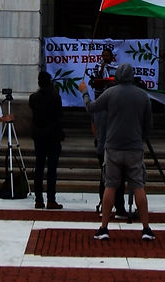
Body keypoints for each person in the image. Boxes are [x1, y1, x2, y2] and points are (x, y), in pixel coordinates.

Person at [80, 62, 155, 243]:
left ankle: (104, 227)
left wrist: (84, 92)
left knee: (110, 186)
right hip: (134, 147)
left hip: (113, 147)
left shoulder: (110, 93)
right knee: (138, 186)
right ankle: (145, 228)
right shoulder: (143, 96)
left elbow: (91, 108)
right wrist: (140, 138)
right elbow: (149, 125)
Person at [29, 70, 64, 210]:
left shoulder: (34, 98)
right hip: (52, 135)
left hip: (39, 135)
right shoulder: (55, 97)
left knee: (39, 167)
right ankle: (51, 199)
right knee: (51, 169)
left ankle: (38, 199)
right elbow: (59, 115)